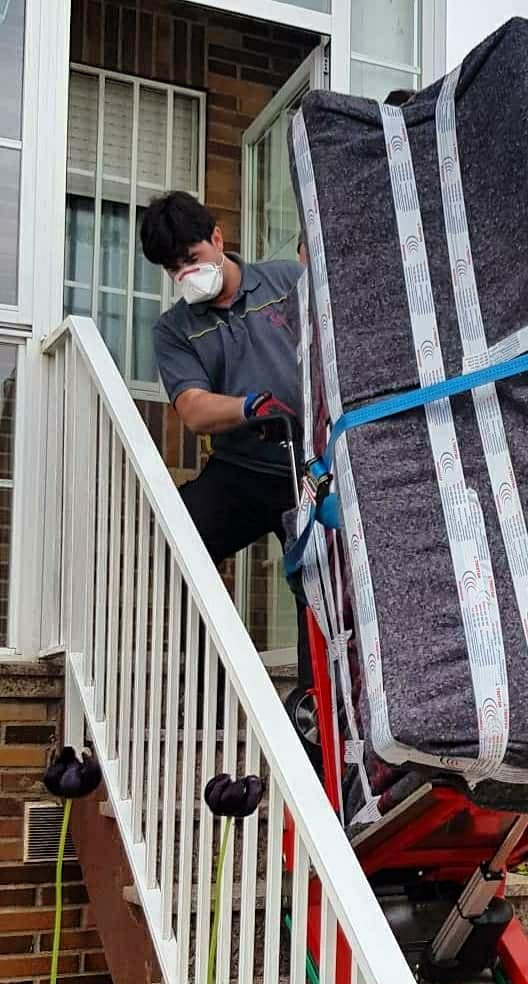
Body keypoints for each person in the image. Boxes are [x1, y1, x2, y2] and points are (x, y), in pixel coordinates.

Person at [139, 191, 313, 695]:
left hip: (308, 468)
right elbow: (192, 407)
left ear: (217, 239)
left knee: (319, 581)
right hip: (241, 467)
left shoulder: (288, 282)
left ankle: (314, 707)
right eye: (174, 270)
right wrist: (247, 406)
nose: (185, 276)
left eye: (190, 259)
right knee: (182, 538)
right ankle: (214, 685)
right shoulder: (174, 330)